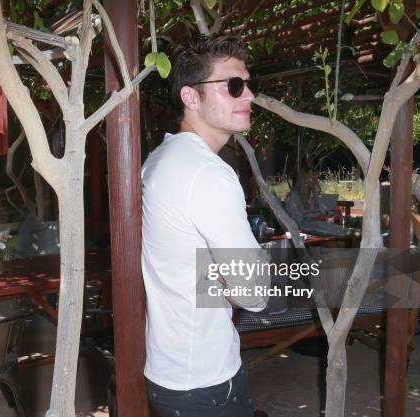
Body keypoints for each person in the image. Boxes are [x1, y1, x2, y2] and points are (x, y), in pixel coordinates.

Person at [141, 34, 270, 417]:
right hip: (206, 381)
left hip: (170, 370)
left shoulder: (161, 157)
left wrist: (211, 273)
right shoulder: (207, 173)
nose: (248, 96)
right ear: (191, 97)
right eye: (233, 86)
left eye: (248, 85)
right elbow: (254, 292)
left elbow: (177, 261)